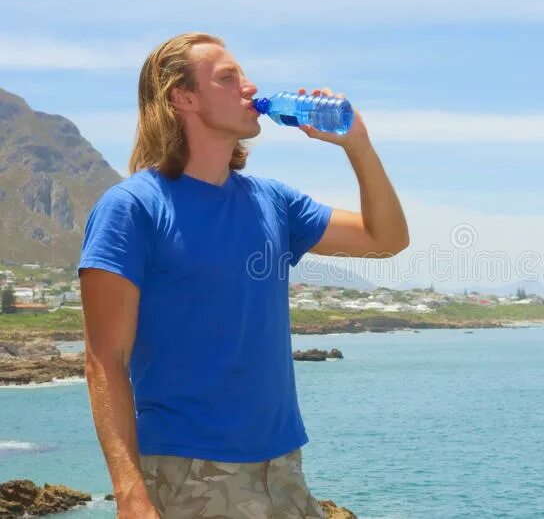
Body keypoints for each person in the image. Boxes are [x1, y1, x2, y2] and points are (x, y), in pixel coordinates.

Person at [78, 32, 409, 519]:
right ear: (183, 97)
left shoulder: (271, 200)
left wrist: (356, 143)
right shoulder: (132, 209)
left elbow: (387, 240)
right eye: (229, 78)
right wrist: (130, 493)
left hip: (283, 467)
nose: (250, 87)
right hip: (190, 473)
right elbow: (104, 360)